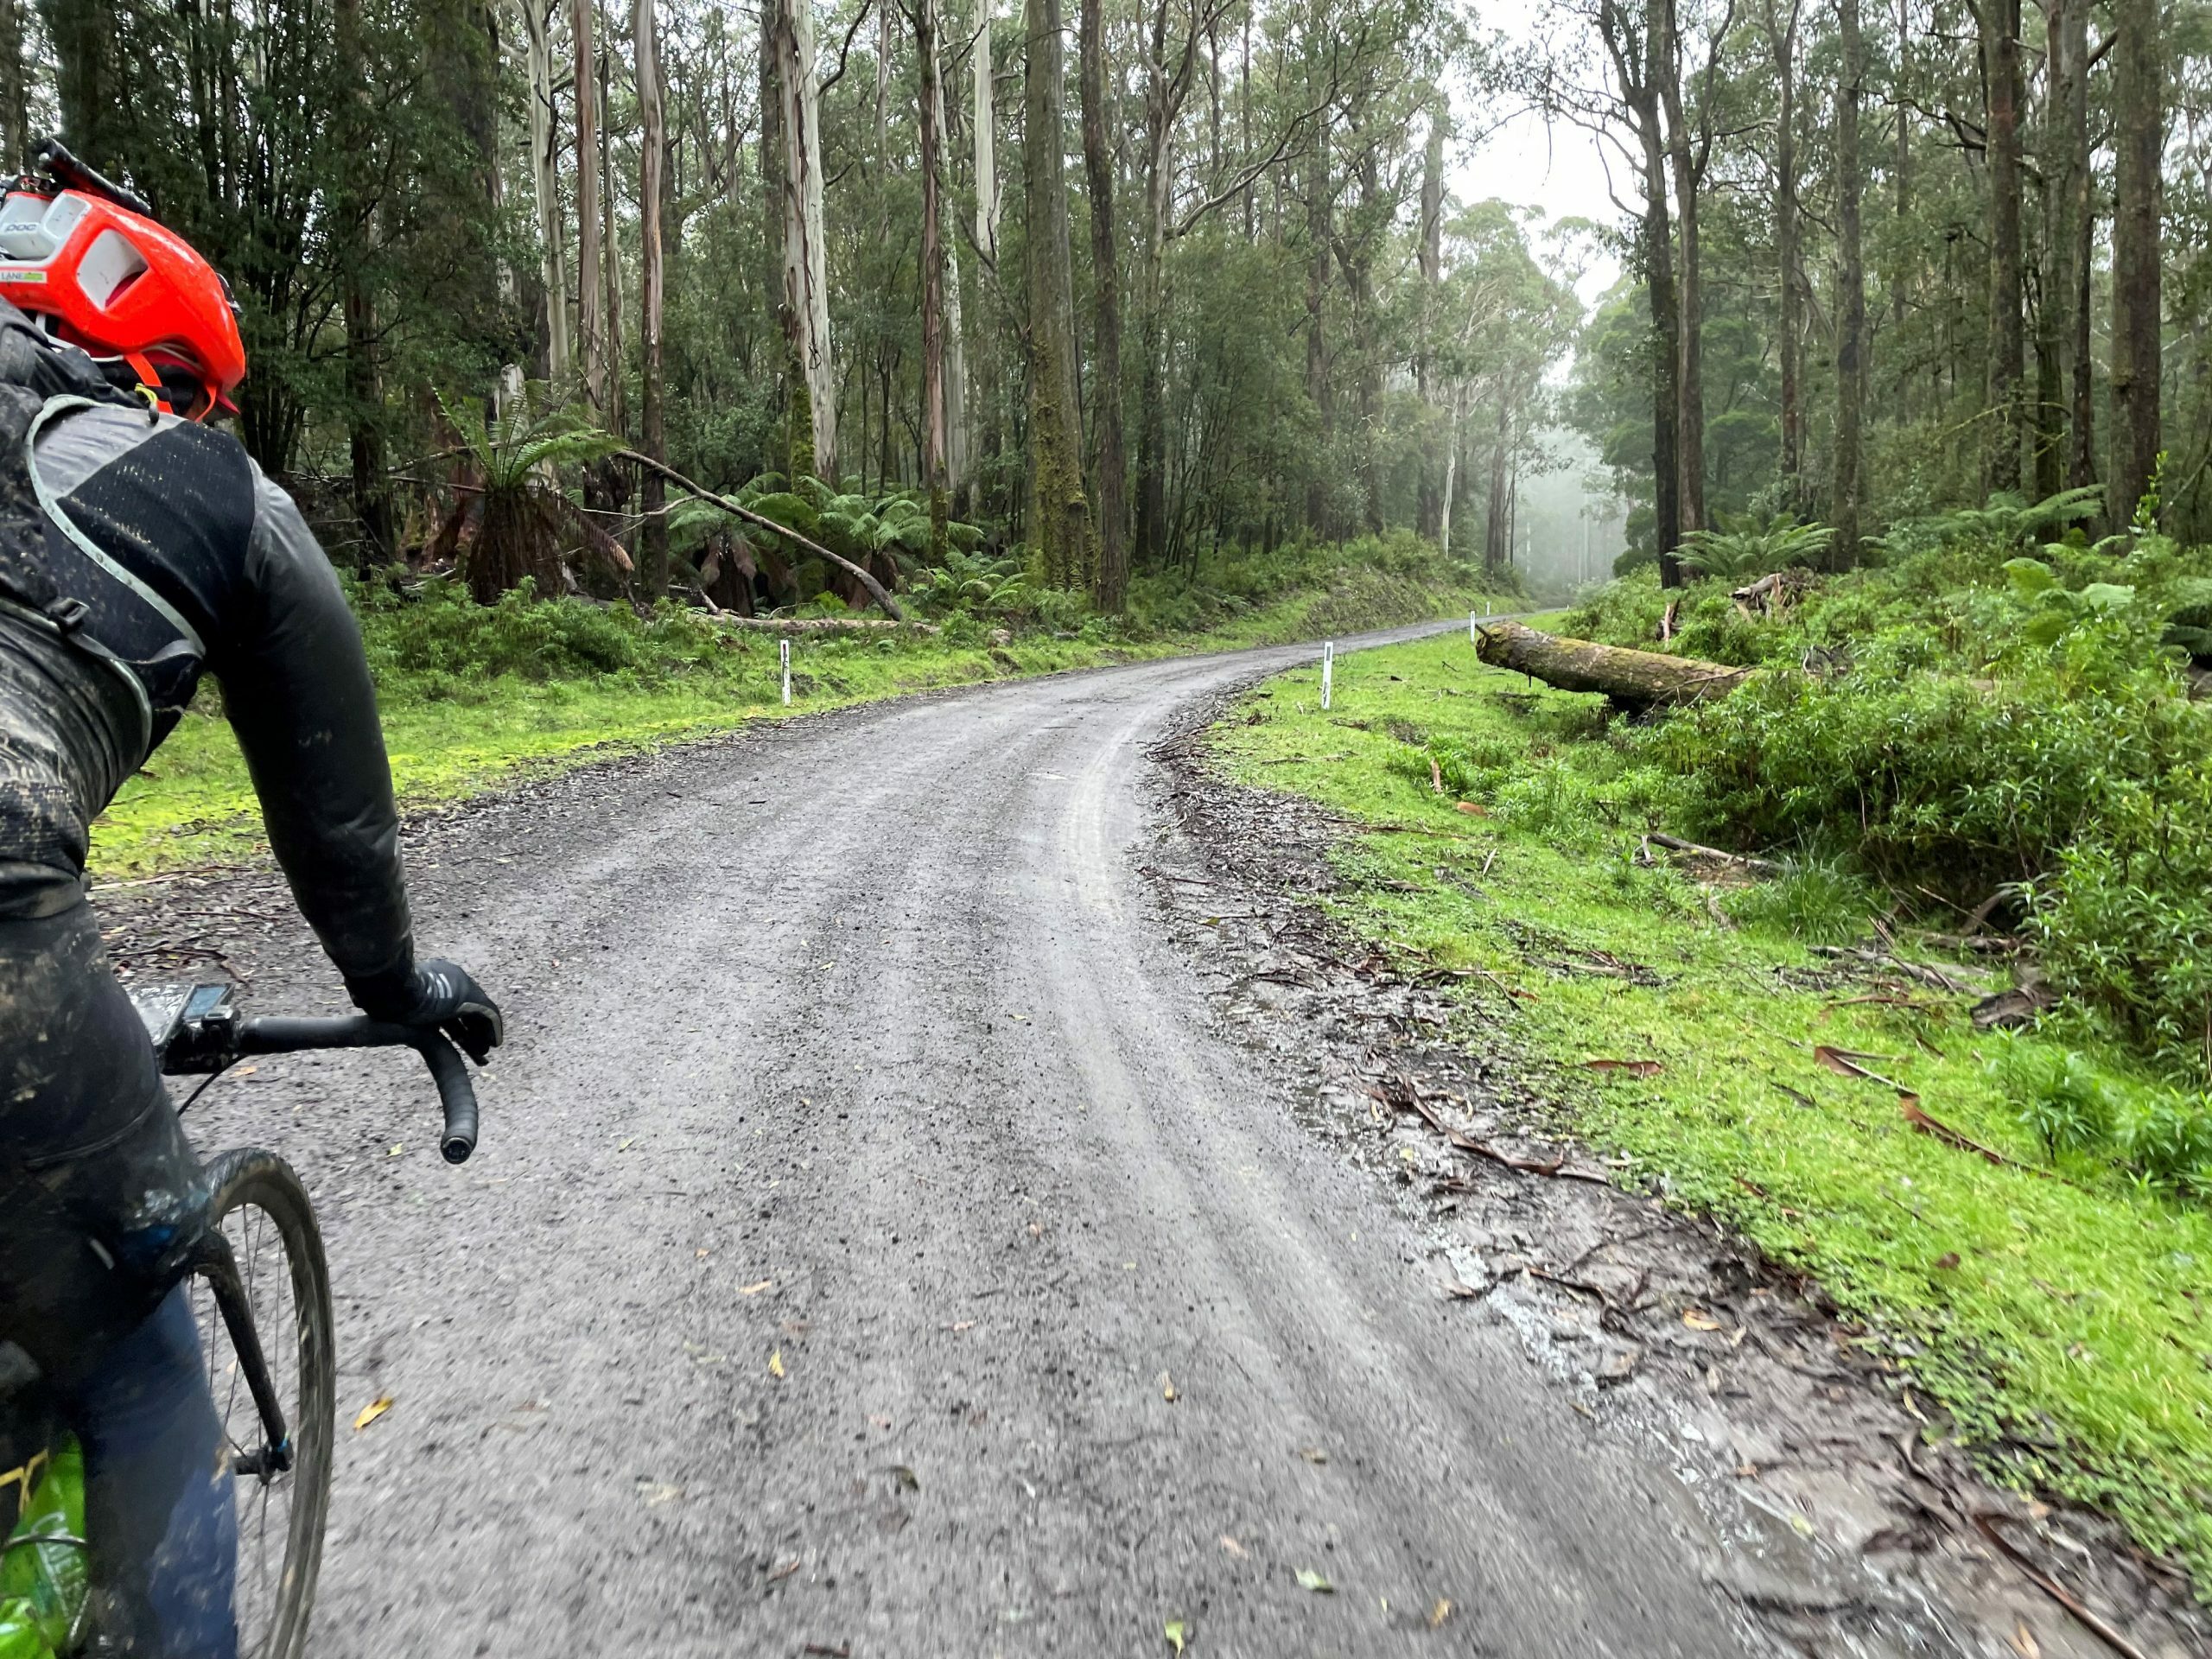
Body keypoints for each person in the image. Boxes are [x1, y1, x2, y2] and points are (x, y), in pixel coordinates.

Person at [0, 142, 501, 1655]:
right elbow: (338, 818)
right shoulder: (211, 483)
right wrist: (399, 989)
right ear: (158, 364)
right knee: (140, 1364)